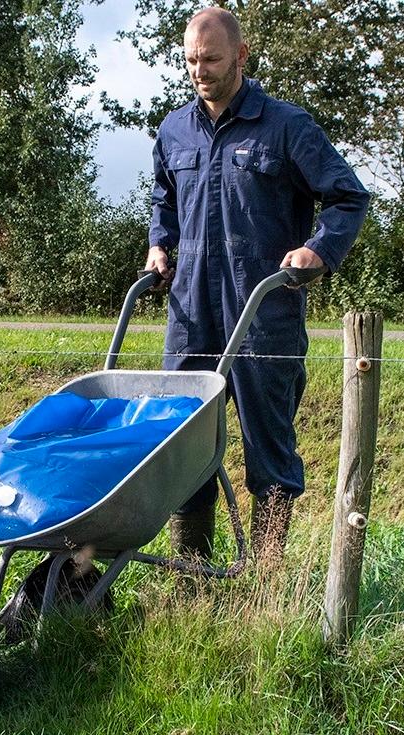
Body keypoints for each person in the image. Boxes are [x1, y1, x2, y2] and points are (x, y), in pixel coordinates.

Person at [145, 7, 370, 562]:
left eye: (212, 59)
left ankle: (265, 582)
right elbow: (164, 200)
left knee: (268, 449)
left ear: (242, 56)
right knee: (183, 444)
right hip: (191, 314)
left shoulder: (286, 126)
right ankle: (190, 577)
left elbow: (348, 197)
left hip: (262, 313)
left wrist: (318, 249)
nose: (200, 70)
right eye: (191, 60)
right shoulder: (173, 129)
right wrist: (158, 243)